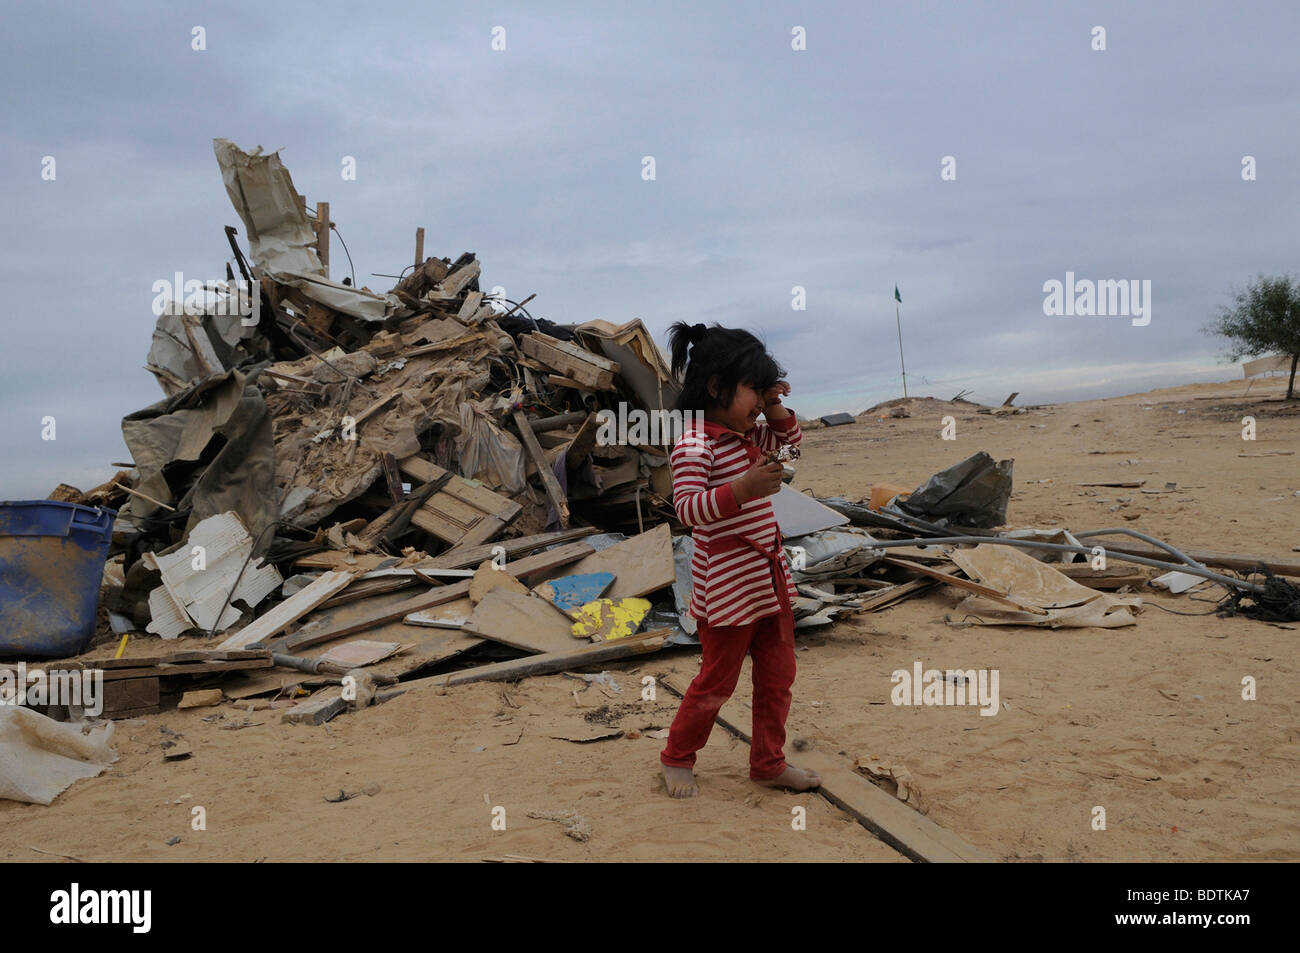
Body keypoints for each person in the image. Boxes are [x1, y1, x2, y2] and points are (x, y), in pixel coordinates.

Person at [658, 321, 822, 798]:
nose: (758, 402)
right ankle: (677, 756)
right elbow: (688, 510)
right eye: (753, 388)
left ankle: (768, 762)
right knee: (716, 683)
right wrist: (742, 489)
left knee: (778, 677)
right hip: (727, 587)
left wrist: (773, 405)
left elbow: (792, 440)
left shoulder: (747, 433)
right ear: (716, 387)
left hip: (767, 579)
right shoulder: (695, 444)